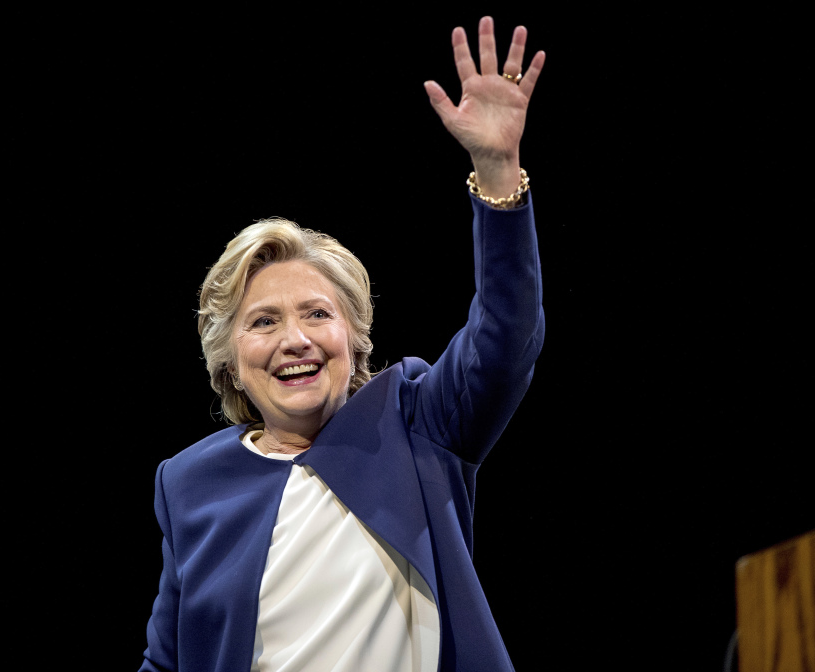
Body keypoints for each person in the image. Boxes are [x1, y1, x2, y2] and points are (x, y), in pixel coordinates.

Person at [140, 16, 546, 672]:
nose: (294, 339)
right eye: (264, 322)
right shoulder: (187, 482)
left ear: (354, 340)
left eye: (316, 314)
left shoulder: (415, 420)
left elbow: (507, 339)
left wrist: (497, 174)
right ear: (229, 363)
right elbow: (170, 659)